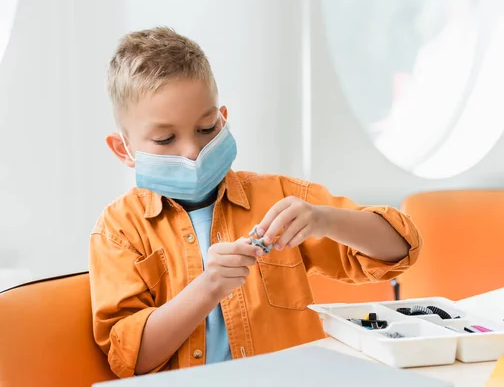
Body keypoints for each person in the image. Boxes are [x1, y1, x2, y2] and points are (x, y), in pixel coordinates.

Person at [89, 26, 422, 378]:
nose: (191, 151)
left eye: (206, 129)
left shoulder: (279, 197)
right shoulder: (119, 230)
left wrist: (324, 220)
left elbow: (400, 247)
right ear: (122, 149)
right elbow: (130, 358)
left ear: (223, 119)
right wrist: (209, 287)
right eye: (164, 138)